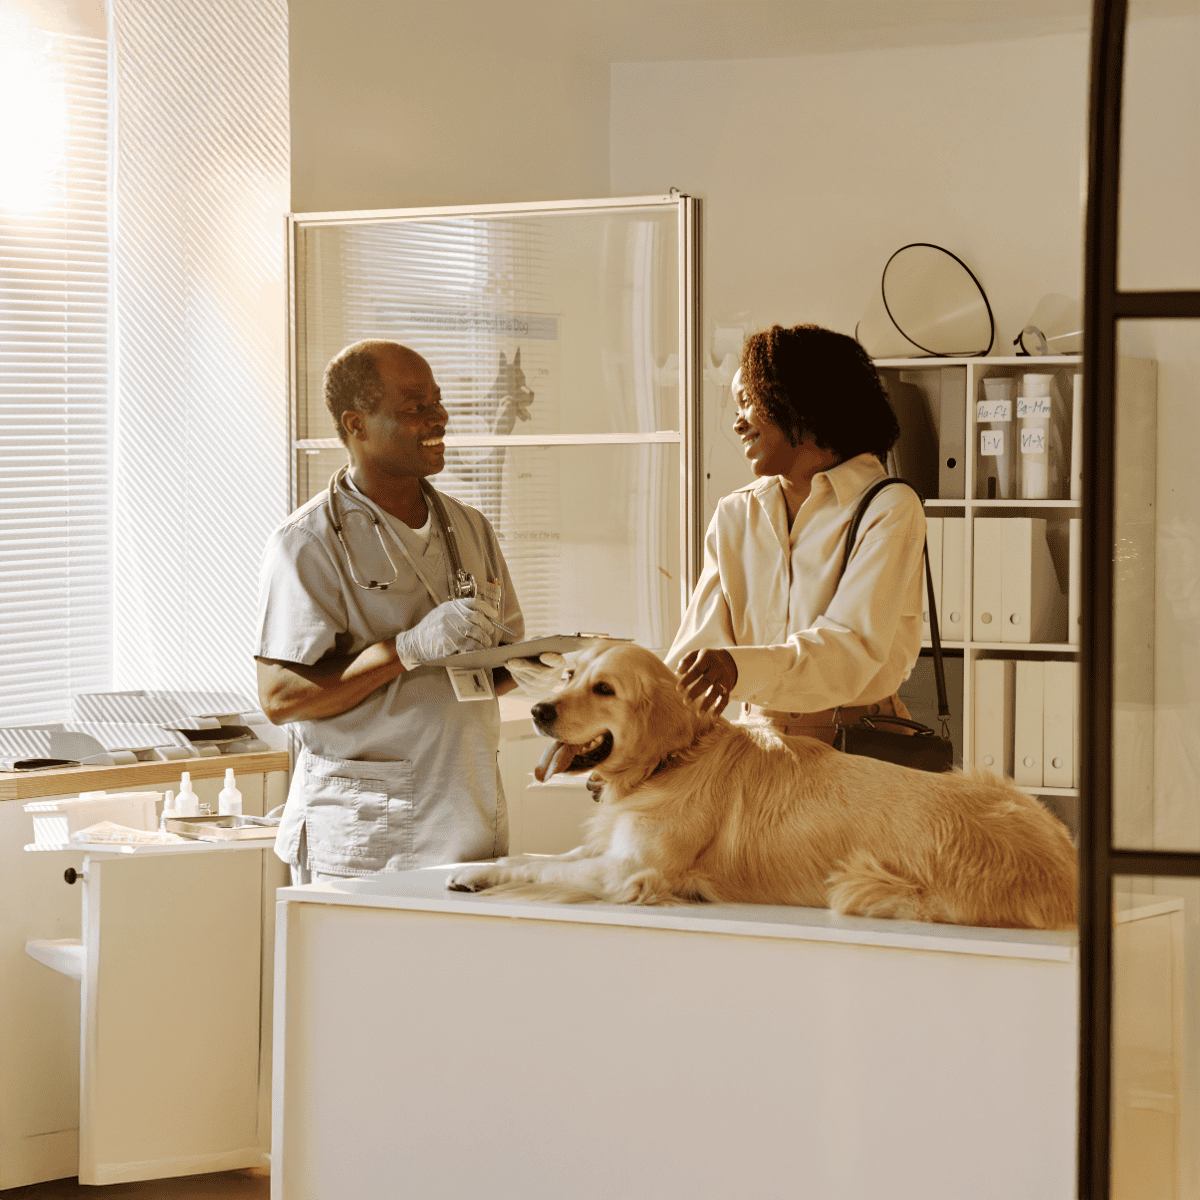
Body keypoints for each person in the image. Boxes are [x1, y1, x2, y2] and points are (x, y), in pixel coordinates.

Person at [255, 339, 525, 883]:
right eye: (415, 408)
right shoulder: (307, 543)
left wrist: (539, 667)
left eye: (438, 402)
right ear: (356, 425)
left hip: (467, 818)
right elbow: (280, 699)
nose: (439, 417)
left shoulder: (470, 527)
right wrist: (405, 650)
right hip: (368, 832)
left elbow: (500, 665)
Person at [669, 323, 925, 743]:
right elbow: (694, 661)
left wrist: (735, 669)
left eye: (747, 401)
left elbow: (847, 651)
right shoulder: (735, 513)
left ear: (800, 399)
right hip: (755, 749)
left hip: (859, 750)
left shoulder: (889, 507)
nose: (737, 423)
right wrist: (622, 742)